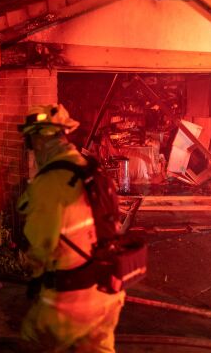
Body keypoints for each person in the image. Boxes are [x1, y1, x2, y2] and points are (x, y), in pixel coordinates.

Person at [16, 104, 125, 353]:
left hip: (71, 301)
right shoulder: (91, 169)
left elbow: (41, 249)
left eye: (30, 141)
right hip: (107, 292)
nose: (30, 149)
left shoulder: (48, 183)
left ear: (40, 139)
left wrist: (30, 270)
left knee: (32, 343)